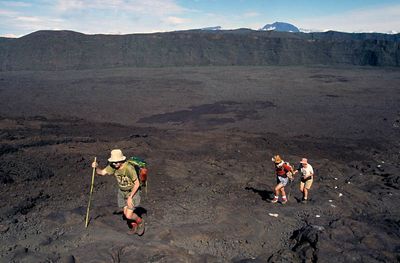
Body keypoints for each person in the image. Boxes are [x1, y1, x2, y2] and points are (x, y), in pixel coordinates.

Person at [92, 149, 145, 235]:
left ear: (121, 160)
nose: (115, 164)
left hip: (132, 192)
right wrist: (96, 167)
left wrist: (130, 197)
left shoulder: (128, 168)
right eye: (113, 162)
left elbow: (137, 184)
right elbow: (101, 172)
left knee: (128, 215)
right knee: (125, 213)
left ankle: (140, 221)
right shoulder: (112, 166)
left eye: (117, 162)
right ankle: (134, 225)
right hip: (122, 192)